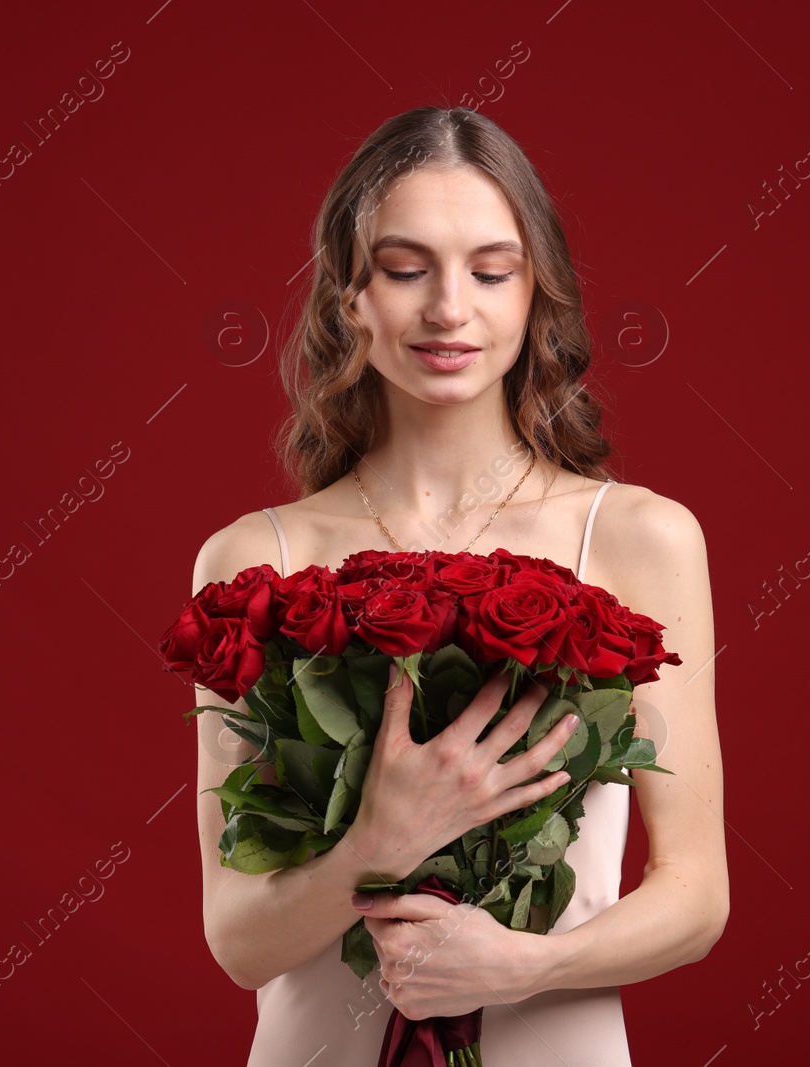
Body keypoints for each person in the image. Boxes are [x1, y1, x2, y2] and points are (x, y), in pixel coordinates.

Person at [189, 105, 727, 1065]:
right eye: (404, 270)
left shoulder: (642, 537)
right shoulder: (250, 562)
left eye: (490, 272)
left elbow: (696, 894)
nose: (448, 308)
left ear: (536, 297)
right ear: (349, 299)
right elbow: (238, 940)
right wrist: (375, 843)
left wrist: (518, 965)